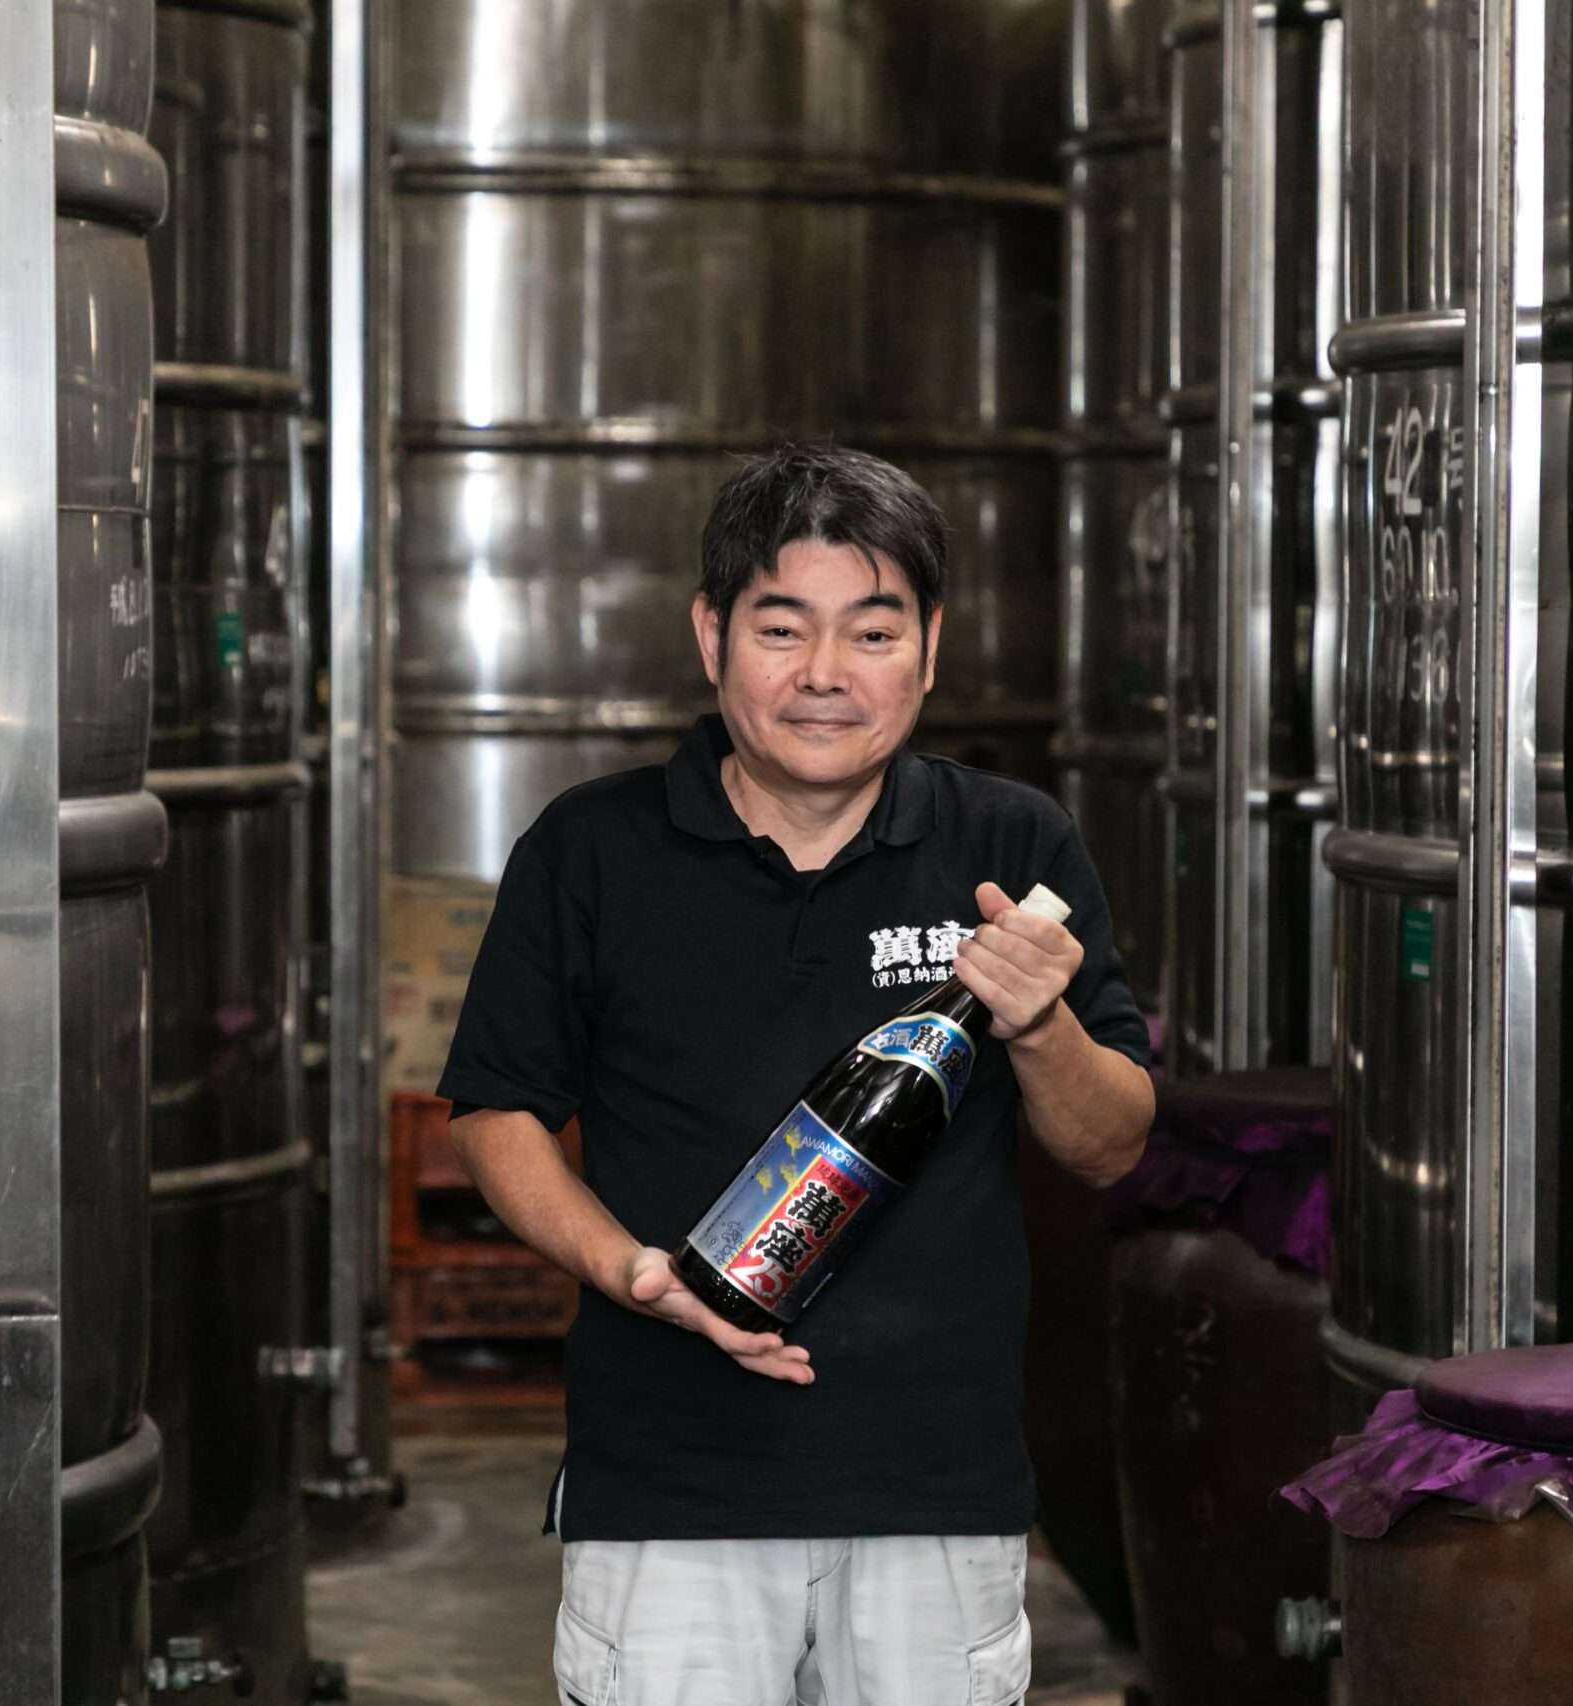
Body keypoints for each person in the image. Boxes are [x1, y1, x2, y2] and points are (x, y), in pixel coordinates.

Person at [438, 445, 1156, 1706]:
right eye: (782, 627)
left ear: (928, 648)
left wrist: (1039, 1021)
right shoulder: (591, 850)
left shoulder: (1010, 842)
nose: (825, 673)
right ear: (710, 634)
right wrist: (629, 1269)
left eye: (872, 631)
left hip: (934, 1486)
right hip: (670, 1483)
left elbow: (1112, 1141)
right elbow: (497, 1108)